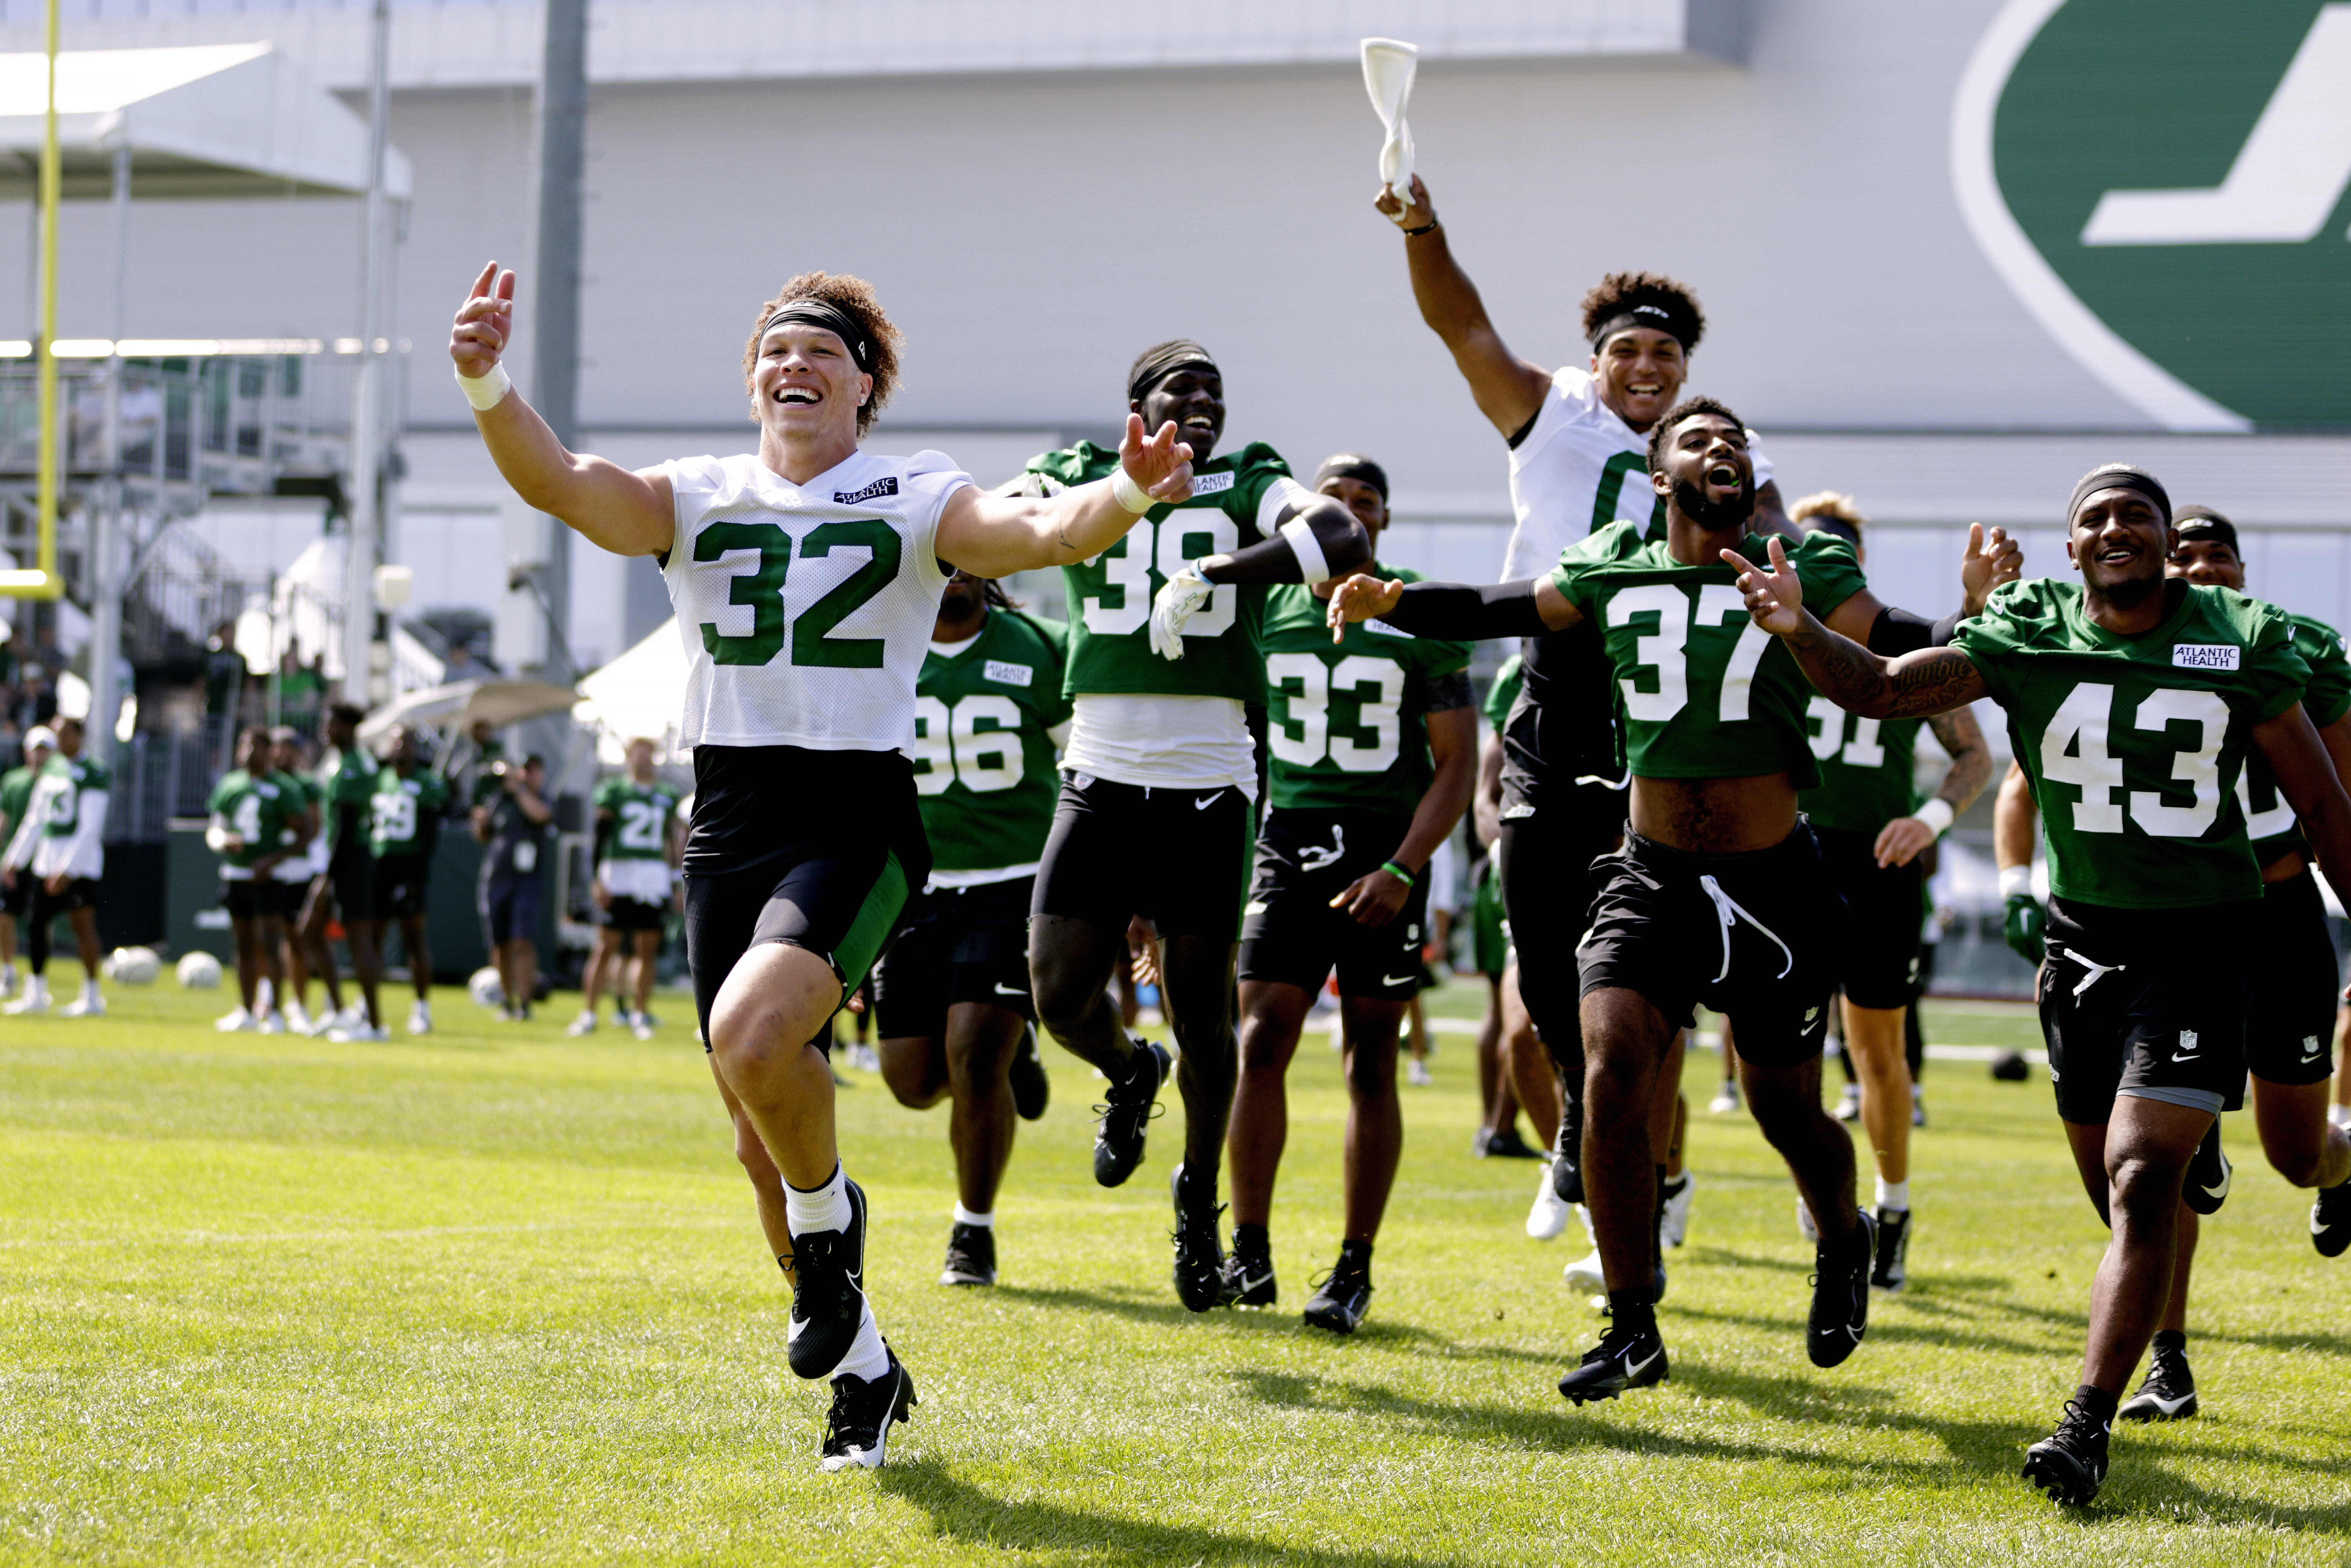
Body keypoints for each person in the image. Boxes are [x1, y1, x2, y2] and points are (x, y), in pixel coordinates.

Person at [451, 262, 1196, 1468]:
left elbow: (1031, 532)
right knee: (757, 1129)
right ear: (753, 379)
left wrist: (1125, 490)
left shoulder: (913, 489)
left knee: (755, 1039)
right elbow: (561, 483)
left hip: (853, 810)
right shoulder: (700, 490)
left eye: (820, 354)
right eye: (774, 352)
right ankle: (863, 1369)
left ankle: (829, 1237)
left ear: (864, 386)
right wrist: (484, 378)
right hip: (730, 817)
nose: (791, 366)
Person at [1327, 397, 2012, 1405]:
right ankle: (1632, 1318)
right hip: (1647, 876)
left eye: (1733, 442)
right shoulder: (1613, 561)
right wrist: (1393, 599)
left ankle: (1844, 1234)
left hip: (1772, 880)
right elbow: (1499, 606)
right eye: (1697, 440)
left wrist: (1976, 614)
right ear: (1659, 477)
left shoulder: (1807, 567)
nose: (1720, 449)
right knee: (1610, 1075)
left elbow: (1900, 652)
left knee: (1786, 1108)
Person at [1726, 463, 2351, 1505]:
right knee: (2113, 1190)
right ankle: (2181, 1168)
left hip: (2205, 939)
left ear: (2160, 541)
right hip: (2083, 950)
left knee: (2144, 1178)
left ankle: (2085, 1423)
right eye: (2094, 518)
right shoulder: (2027, 627)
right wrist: (1799, 628)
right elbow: (1883, 692)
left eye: (2135, 516)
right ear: (2070, 548)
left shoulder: (2238, 637)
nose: (2116, 529)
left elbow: (2326, 807)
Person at [1371, 175, 1801, 1241]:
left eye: (1663, 356)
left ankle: (1647, 1177)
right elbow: (1457, 322)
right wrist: (1423, 227)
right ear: (1597, 358)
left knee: (1639, 994)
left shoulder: (1719, 458)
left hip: (1656, 713)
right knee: (1530, 1009)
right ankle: (1584, 1133)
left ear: (1686, 373)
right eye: (1627, 352)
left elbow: (1785, 556)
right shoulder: (1552, 414)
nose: (1644, 369)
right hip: (1547, 697)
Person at [1011, 340, 1371, 1312]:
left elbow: (1337, 535)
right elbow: (988, 529)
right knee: (1058, 996)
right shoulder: (1078, 474)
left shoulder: (1247, 479)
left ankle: (1197, 1203)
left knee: (1204, 1014)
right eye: (1182, 390)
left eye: (1215, 391)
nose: (1203, 404)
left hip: (1208, 786)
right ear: (1138, 404)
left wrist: (1223, 567)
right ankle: (1131, 1074)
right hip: (1098, 773)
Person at [1993, 502, 2351, 1431]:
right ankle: (2167, 1359)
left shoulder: (2285, 647)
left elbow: (2337, 799)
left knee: (2296, 1152)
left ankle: (2339, 1166)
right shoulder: (2108, 649)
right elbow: (2025, 775)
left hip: (2273, 915)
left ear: (2239, 566)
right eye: (2180, 555)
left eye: (2211, 555)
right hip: (2161, 933)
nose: (2195, 570)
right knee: (2146, 1172)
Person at [1222, 454, 1474, 1332]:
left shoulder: (1417, 617)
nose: (1350, 513)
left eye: (1367, 501)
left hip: (1385, 849)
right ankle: (1247, 1248)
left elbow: (1457, 767)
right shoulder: (1262, 608)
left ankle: (1352, 1263)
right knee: (1260, 1036)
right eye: (1334, 500)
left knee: (1371, 1055)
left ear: (1385, 522)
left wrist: (1403, 868)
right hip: (1288, 841)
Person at [1787, 493, 1993, 1291]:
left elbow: (1971, 754)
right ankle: (1824, 1185)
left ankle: (1892, 1209)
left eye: (1830, 550)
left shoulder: (1896, 653)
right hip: (1787, 859)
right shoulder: (1764, 640)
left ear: (1853, 563)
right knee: (1777, 1047)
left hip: (1876, 862)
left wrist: (1930, 818)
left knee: (1877, 1054)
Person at [873, 568, 1067, 1288]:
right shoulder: (886, 647)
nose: (951, 572)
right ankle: (1013, 1055)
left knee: (971, 1054)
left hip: (1013, 882)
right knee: (913, 1082)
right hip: (915, 889)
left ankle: (972, 1231)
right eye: (939, 557)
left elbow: (1084, 764)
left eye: (964, 557)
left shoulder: (1041, 647)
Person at [573, 737, 684, 1040]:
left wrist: (675, 880)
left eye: (649, 753)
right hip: (619, 873)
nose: (643, 759)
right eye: (638, 753)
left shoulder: (666, 794)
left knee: (646, 949)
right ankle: (589, 1013)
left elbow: (672, 843)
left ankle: (639, 1014)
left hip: (653, 876)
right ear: (627, 758)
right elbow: (600, 836)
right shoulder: (613, 791)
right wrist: (596, 878)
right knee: (605, 946)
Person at [1, 715, 108, 1016]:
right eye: (56, 734)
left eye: (64, 734)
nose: (59, 740)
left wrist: (69, 868)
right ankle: (35, 994)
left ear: (79, 736)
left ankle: (91, 997)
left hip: (79, 863)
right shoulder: (52, 769)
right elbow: (35, 819)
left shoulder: (93, 772)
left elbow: (90, 826)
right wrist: (15, 859)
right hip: (46, 859)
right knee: (37, 925)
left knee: (82, 926)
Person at [206, 726, 302, 1033]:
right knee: (242, 942)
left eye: (256, 746)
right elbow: (215, 829)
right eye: (243, 745)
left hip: (269, 876)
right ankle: (246, 1011)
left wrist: (272, 860)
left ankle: (273, 1012)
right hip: (236, 872)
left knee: (269, 943)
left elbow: (305, 833)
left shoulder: (284, 788)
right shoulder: (230, 785)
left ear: (268, 751)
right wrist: (223, 841)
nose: (248, 751)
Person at [305, 703, 388, 1042]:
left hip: (352, 858)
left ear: (348, 728)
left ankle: (373, 1025)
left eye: (332, 724)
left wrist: (328, 873)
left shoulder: (355, 766)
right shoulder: (339, 762)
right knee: (309, 930)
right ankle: (340, 1012)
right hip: (342, 857)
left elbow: (347, 825)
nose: (326, 729)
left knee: (359, 940)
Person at [367, 725, 448, 1037]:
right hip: (379, 865)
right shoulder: (379, 778)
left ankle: (422, 1009)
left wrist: (414, 877)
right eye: (396, 741)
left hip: (410, 865)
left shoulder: (427, 782)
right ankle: (367, 1003)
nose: (400, 747)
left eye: (406, 742)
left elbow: (430, 835)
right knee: (372, 937)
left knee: (414, 938)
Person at [474, 754, 555, 1022]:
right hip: (498, 880)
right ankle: (507, 1003)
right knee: (500, 944)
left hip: (527, 881)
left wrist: (519, 789)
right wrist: (480, 822)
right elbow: (483, 837)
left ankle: (525, 1003)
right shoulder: (499, 800)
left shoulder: (537, 798)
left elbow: (541, 815)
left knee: (522, 941)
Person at [269, 728, 329, 1035]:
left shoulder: (307, 784)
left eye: (284, 748)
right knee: (263, 938)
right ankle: (265, 1003)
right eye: (275, 747)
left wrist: (277, 852)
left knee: (296, 937)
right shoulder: (262, 782)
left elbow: (313, 828)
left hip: (297, 869)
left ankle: (299, 1004)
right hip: (267, 872)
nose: (278, 753)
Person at [0, 724, 56, 999]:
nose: (40, 756)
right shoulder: (13, 781)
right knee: (4, 916)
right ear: (27, 752)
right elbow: (6, 819)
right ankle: (8, 970)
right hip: (16, 861)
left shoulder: (59, 781)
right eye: (36, 750)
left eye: (45, 750)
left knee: (40, 922)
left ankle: (38, 979)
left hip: (45, 862)